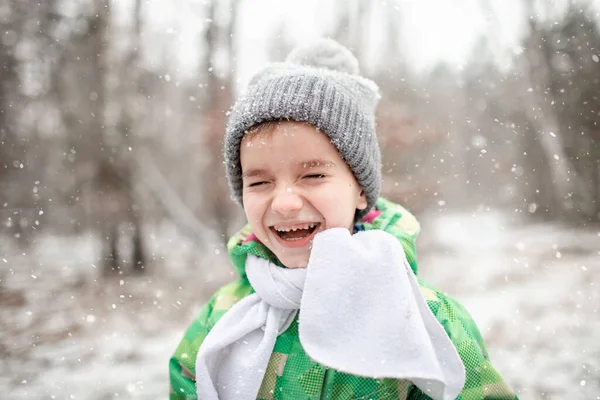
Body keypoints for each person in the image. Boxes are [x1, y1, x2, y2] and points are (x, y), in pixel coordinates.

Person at [169, 38, 518, 400]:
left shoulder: (420, 316)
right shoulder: (225, 316)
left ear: (360, 190)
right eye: (260, 182)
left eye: (313, 175)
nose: (285, 202)